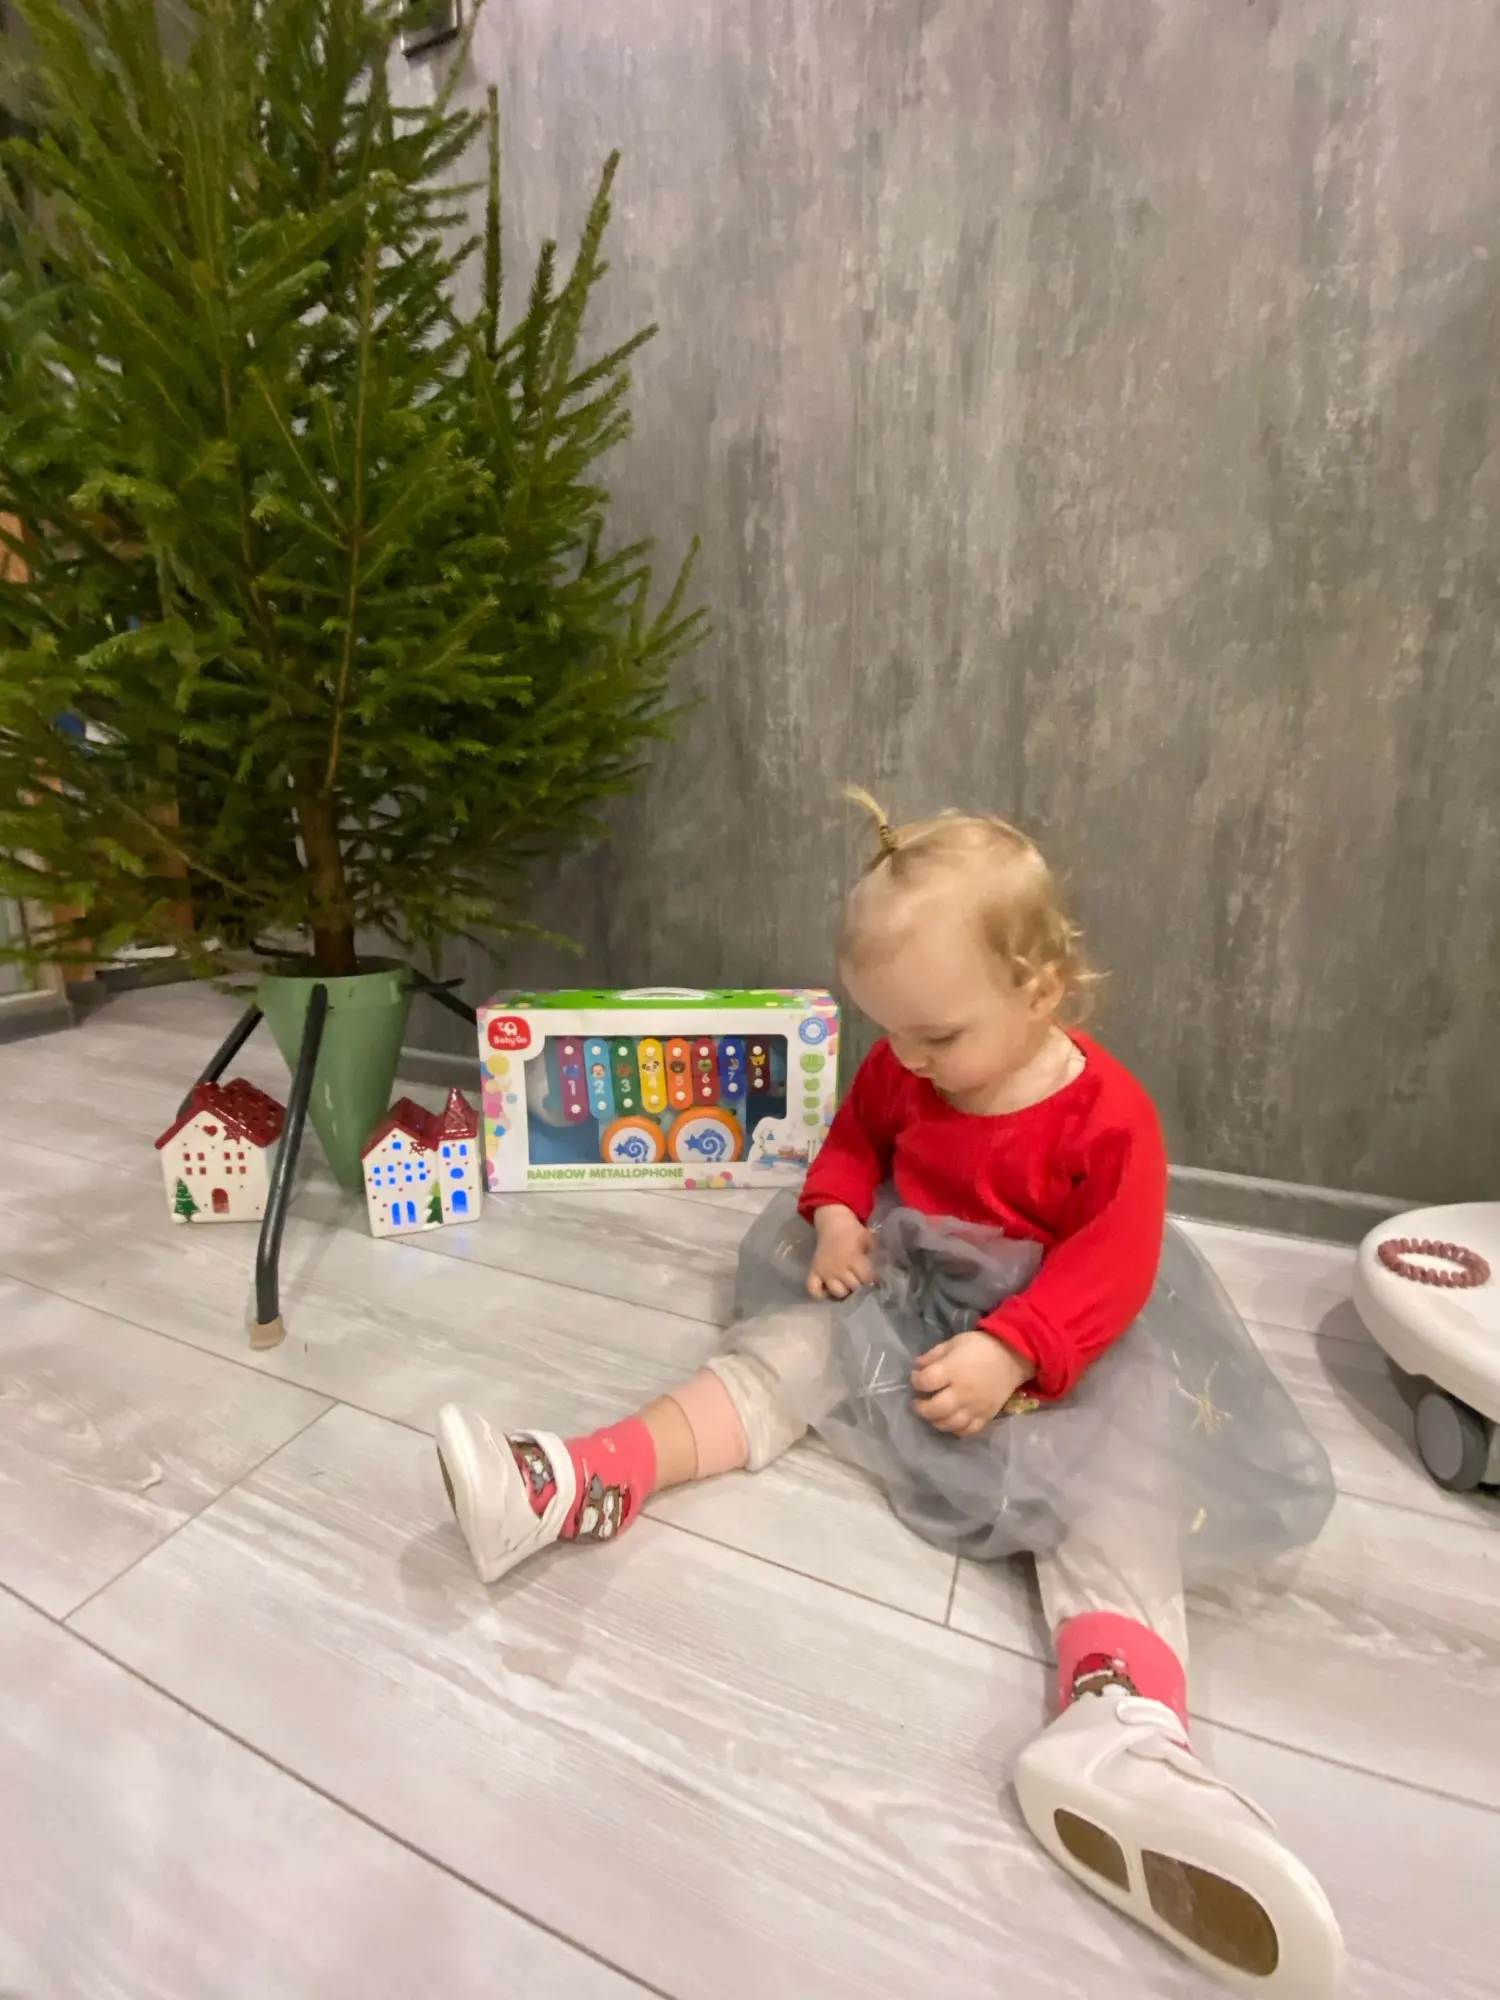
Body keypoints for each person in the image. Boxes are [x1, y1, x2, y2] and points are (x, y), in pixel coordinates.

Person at [436, 794, 1344, 1997]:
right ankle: (588, 1477)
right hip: (910, 1292)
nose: (908, 1060)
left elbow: (1114, 1261)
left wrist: (1018, 1348)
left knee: (1122, 1468)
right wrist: (833, 1213)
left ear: (1042, 989)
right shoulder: (905, 1065)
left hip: (1058, 1328)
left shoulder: (1107, 1116)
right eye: (892, 1034)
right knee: (785, 1349)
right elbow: (857, 1141)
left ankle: (1126, 1721)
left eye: (938, 1037)